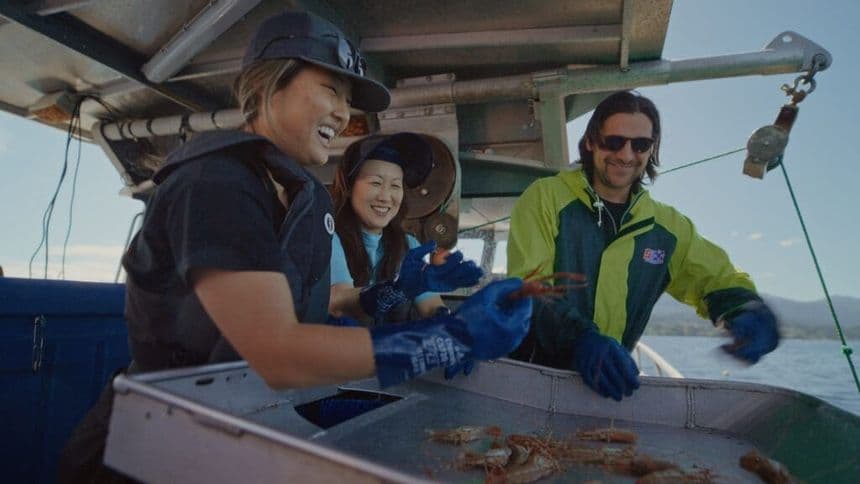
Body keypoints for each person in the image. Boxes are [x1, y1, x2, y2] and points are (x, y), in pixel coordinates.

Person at [58, 10, 531, 483]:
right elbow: (277, 350)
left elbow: (330, 298)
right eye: (329, 90)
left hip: (238, 433)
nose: (344, 114)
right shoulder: (216, 181)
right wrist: (444, 341)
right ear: (267, 87)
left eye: (348, 100)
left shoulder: (303, 199)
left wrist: (398, 293)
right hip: (149, 448)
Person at [506, 91, 779, 402]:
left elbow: (713, 276)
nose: (626, 154)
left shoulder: (668, 227)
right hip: (531, 377)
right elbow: (530, 286)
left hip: (606, 385)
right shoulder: (546, 197)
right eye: (614, 141)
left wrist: (742, 306)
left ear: (652, 149)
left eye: (640, 144)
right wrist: (580, 339)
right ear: (592, 142)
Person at [328, 132, 482, 325]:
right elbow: (338, 303)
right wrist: (394, 290)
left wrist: (459, 322)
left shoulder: (408, 244)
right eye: (376, 183)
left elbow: (431, 307)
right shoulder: (328, 237)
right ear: (349, 187)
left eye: (395, 185)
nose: (386, 197)